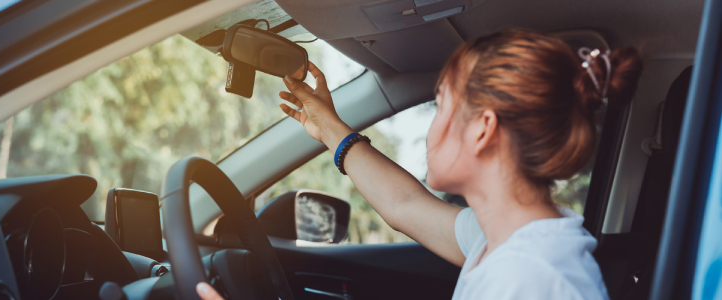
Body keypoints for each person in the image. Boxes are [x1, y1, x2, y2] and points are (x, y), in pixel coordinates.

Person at [198, 29, 643, 299]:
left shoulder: (531, 278)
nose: (431, 130)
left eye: (440, 105)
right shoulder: (506, 241)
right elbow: (406, 205)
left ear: (483, 129)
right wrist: (330, 127)